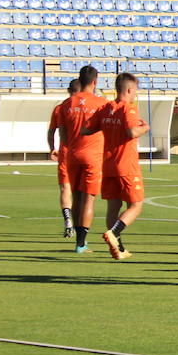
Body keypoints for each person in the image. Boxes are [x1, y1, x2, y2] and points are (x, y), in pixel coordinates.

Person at [82, 72, 149, 260]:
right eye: (135, 90)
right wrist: (145, 128)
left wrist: (107, 127)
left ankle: (118, 248)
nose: (135, 93)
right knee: (136, 205)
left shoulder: (106, 108)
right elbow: (131, 131)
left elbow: (86, 129)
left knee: (113, 206)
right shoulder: (129, 109)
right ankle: (114, 233)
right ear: (129, 90)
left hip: (108, 165)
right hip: (125, 165)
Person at [60, 66, 109, 253]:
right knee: (89, 199)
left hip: (72, 155)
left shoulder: (67, 103)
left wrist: (71, 145)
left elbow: (62, 132)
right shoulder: (101, 103)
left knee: (77, 197)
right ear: (95, 82)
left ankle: (78, 240)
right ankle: (81, 243)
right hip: (93, 156)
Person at [46, 78, 82, 238]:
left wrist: (52, 148)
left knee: (65, 189)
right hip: (84, 154)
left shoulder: (60, 108)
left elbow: (52, 131)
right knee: (81, 194)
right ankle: (82, 234)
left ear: (69, 90)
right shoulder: (87, 107)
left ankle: (68, 221)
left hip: (65, 154)